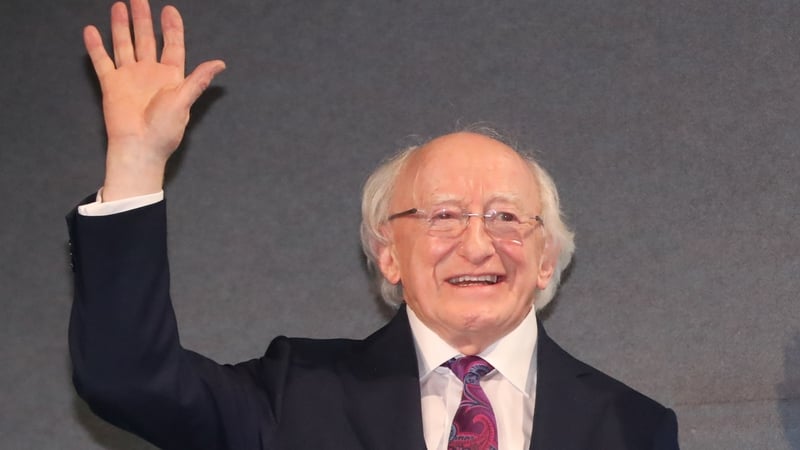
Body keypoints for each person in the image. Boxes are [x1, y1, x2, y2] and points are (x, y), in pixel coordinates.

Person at [67, 1, 680, 449]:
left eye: (504, 217)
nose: (476, 243)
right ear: (388, 254)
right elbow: (130, 378)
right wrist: (136, 162)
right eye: (443, 216)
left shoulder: (633, 428)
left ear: (547, 257)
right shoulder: (293, 395)